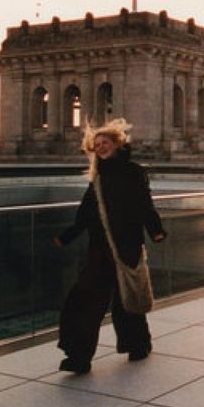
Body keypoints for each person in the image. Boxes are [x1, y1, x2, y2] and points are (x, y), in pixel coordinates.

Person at [53, 118, 166, 373]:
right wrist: (67, 236)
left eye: (105, 143)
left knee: (127, 301)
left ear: (117, 144)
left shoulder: (134, 172)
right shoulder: (98, 178)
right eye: (97, 144)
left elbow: (144, 205)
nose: (100, 147)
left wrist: (156, 230)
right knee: (84, 299)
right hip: (100, 250)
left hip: (126, 247)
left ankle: (139, 344)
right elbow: (85, 214)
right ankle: (78, 357)